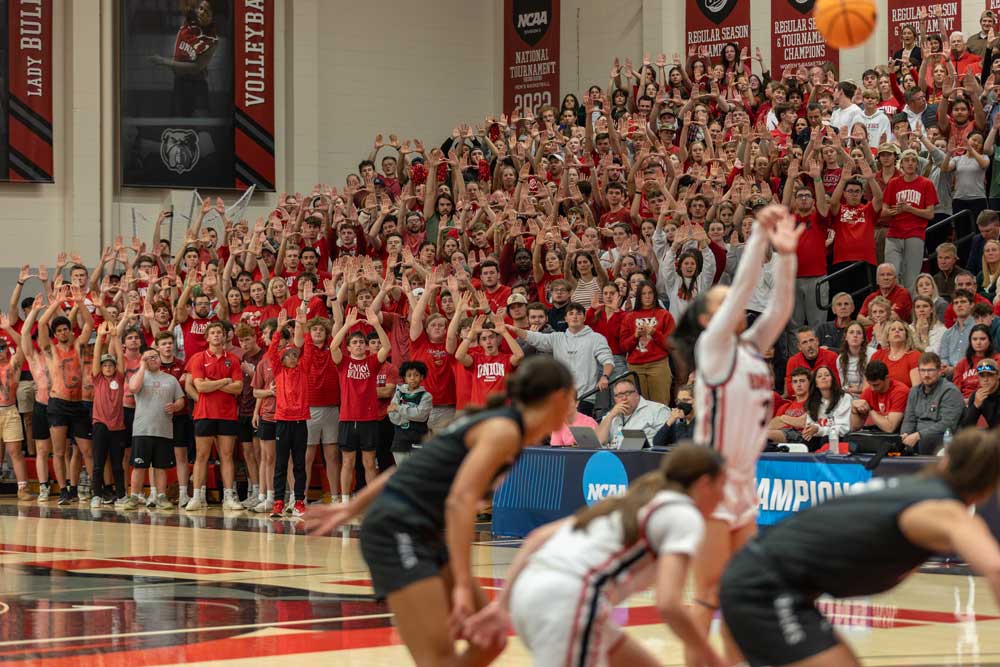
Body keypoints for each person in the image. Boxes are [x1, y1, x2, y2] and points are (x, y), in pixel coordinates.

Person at [305, 356, 576, 667]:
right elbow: (459, 501)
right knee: (438, 658)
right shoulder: (503, 430)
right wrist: (462, 584)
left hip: (424, 530)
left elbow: (408, 470)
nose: (573, 407)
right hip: (396, 529)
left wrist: (351, 506)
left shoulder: (501, 425)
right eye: (573, 397)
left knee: (489, 640)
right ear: (559, 397)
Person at [721, 428, 1000, 667]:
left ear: (945, 460)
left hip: (765, 578)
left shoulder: (910, 487)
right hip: (765, 587)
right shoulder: (944, 510)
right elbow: (996, 568)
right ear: (990, 483)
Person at [669, 204, 801, 663]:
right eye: (719, 300)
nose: (732, 300)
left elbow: (781, 307)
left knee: (740, 594)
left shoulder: (749, 348)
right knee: (708, 592)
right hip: (711, 484)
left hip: (744, 483)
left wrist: (785, 255)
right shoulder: (712, 349)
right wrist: (759, 238)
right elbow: (744, 285)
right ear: (707, 319)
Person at [463, 444, 728, 667]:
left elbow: (536, 538)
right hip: (570, 601)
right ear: (704, 483)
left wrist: (502, 604)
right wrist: (711, 657)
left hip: (529, 593)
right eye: (722, 486)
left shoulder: (633, 499)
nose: (723, 497)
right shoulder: (684, 514)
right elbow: (669, 603)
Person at [38, 286, 94, 504]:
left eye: (65, 330)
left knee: (87, 450)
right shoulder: (51, 350)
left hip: (78, 405)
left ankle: (94, 489)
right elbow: (42, 324)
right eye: (59, 330)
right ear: (55, 334)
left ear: (71, 331)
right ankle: (63, 490)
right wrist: (56, 303)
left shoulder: (79, 346)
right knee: (59, 451)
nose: (62, 333)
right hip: (58, 404)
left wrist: (79, 302)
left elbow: (89, 324)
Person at [331, 306, 392, 497]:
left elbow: (387, 347)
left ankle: (371, 501)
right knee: (348, 462)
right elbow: (333, 346)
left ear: (366, 346)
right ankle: (345, 501)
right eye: (354, 342)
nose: (358, 345)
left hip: (368, 419)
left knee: (369, 462)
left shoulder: (372, 362)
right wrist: (346, 325)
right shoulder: (343, 363)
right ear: (348, 347)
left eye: (361, 342)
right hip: (348, 418)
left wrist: (376, 324)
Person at [513, 302, 613, 417]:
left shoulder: (596, 338)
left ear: (584, 317)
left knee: (578, 432)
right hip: (561, 397)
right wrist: (511, 329)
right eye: (571, 313)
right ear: (565, 318)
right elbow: (534, 337)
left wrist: (605, 376)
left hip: (585, 397)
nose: (575, 316)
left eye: (578, 313)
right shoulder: (557, 337)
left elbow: (607, 360)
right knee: (559, 433)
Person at [185, 321, 243, 511]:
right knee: (202, 456)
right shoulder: (199, 358)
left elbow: (238, 387)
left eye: (220, 332)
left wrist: (215, 383)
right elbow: (200, 386)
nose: (217, 335)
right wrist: (226, 381)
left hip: (227, 414)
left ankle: (228, 497)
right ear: (207, 337)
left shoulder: (233, 359)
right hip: (205, 413)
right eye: (213, 333)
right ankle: (197, 497)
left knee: (226, 456)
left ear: (225, 336)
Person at [123, 348, 186, 510]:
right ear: (142, 360)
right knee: (139, 466)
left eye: (155, 357)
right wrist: (142, 366)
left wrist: (175, 406)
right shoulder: (139, 376)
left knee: (160, 467)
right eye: (148, 357)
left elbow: (181, 400)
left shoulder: (171, 379)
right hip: (142, 429)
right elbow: (133, 389)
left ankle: (161, 496)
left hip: (164, 430)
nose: (153, 359)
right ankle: (134, 496)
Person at [267, 305, 313, 518]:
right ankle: (278, 502)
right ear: (283, 360)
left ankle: (299, 502)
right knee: (281, 463)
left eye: (295, 355)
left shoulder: (303, 369)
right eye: (289, 355)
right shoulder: (278, 371)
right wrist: (279, 330)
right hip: (283, 421)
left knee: (300, 464)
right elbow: (271, 352)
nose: (294, 357)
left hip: (300, 421)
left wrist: (302, 327)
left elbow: (309, 349)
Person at [149, 0, 219, 117]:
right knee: (179, 125)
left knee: (202, 126)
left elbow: (196, 67)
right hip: (180, 83)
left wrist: (163, 61)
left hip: (197, 85)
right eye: (201, 8)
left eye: (207, 12)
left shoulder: (212, 40)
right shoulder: (190, 19)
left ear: (213, 17)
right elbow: (183, 4)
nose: (202, 13)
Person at [882, 149, 938, 290]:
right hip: (894, 233)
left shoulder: (926, 183)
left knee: (911, 278)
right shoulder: (893, 183)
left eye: (914, 160)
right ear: (901, 164)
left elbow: (930, 214)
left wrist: (909, 209)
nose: (910, 163)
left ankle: (911, 309)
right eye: (907, 160)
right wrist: (894, 211)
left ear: (918, 165)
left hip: (915, 233)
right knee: (890, 274)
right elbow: (884, 210)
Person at [89, 322, 126, 506]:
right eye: (105, 365)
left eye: (111, 365)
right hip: (100, 424)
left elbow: (120, 355)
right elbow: (96, 356)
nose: (108, 367)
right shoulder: (98, 379)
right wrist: (100, 337)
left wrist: (115, 336)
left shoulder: (119, 377)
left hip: (117, 426)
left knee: (118, 464)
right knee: (98, 462)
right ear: (101, 368)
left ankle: (121, 495)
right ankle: (96, 495)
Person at [620, 281, 675, 405]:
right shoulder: (629, 317)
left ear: (655, 295)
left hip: (658, 364)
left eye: (650, 293)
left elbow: (671, 345)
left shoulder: (665, 315)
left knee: (660, 405)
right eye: (643, 293)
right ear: (639, 296)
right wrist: (635, 336)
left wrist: (654, 332)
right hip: (635, 366)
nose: (647, 296)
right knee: (637, 407)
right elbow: (623, 347)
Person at [900, 352, 965, 455]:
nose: (926, 375)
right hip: (917, 437)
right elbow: (909, 419)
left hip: (942, 438)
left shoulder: (950, 391)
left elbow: (948, 424)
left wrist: (919, 435)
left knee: (926, 442)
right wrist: (905, 434)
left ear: (939, 371)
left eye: (930, 370)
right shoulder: (914, 391)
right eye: (923, 370)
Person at [595, 377, 669, 448]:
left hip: (646, 457)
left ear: (637, 394)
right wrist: (610, 416)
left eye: (628, 393)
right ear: (615, 399)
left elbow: (667, 442)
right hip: (616, 458)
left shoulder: (657, 410)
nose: (624, 398)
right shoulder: (612, 414)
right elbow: (599, 441)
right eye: (620, 395)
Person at [387, 360, 433, 464]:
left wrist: (399, 408)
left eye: (416, 375)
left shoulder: (426, 396)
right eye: (409, 375)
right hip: (400, 441)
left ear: (422, 377)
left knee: (418, 473)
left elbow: (420, 415)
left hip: (419, 439)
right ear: (404, 378)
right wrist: (410, 416)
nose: (412, 378)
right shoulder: (398, 394)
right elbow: (392, 416)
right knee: (402, 473)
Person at [802, 367, 852, 451]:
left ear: (833, 380)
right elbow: (810, 425)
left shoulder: (845, 398)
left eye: (827, 375)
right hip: (820, 436)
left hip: (840, 438)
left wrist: (819, 429)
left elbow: (844, 428)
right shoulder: (812, 402)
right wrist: (808, 430)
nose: (823, 377)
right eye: (819, 376)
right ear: (816, 384)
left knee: (826, 440)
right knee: (806, 442)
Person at [851, 360, 908, 433]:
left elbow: (890, 428)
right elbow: (855, 428)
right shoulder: (868, 392)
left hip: (897, 436)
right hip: (875, 434)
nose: (872, 388)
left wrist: (871, 411)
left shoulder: (900, 391)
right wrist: (854, 410)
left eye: (876, 385)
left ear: (886, 378)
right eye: (870, 384)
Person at [784, 327, 838, 396]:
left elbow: (837, 384)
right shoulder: (792, 361)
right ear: (799, 347)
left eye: (811, 340)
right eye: (804, 342)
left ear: (817, 341)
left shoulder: (832, 357)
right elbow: (791, 390)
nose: (809, 345)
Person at [951, 324, 1000, 400]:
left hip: (987, 400)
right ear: (970, 341)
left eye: (982, 339)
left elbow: (993, 387)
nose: (978, 342)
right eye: (974, 339)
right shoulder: (962, 363)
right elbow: (955, 389)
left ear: (990, 341)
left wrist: (972, 401)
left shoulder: (997, 360)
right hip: (963, 402)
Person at [768, 367, 812, 445]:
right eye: (795, 382)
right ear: (791, 385)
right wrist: (793, 421)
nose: (798, 385)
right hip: (780, 436)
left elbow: (803, 422)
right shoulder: (786, 406)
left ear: (809, 383)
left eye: (802, 381)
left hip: (801, 436)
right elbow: (771, 425)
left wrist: (783, 418)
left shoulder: (814, 403)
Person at [870, 320, 921, 387]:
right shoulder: (877, 355)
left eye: (901, 329)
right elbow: (868, 386)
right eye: (893, 329)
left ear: (907, 336)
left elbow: (916, 389)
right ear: (887, 336)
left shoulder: (914, 355)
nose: (897, 331)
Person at [962, 357, 1000, 428]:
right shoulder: (977, 395)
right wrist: (976, 405)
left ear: (998, 375)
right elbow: (966, 428)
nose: (985, 379)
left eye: (990, 375)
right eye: (982, 376)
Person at [836, 321, 868, 398]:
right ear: (846, 337)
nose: (855, 335)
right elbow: (844, 385)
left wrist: (860, 390)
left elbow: (876, 383)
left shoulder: (872, 354)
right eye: (851, 332)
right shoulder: (840, 358)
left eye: (859, 333)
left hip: (868, 395)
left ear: (863, 338)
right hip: (848, 396)